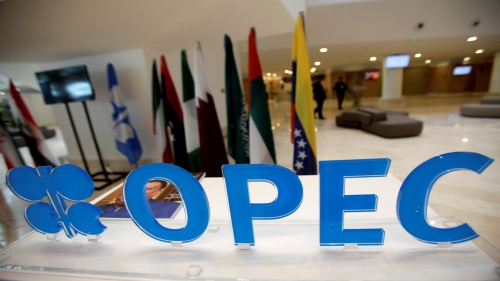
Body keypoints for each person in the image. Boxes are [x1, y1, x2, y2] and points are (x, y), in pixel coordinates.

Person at [98, 180, 181, 218]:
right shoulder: (97, 209)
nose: (137, 191)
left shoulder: (172, 208)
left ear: (160, 191)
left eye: (147, 189)